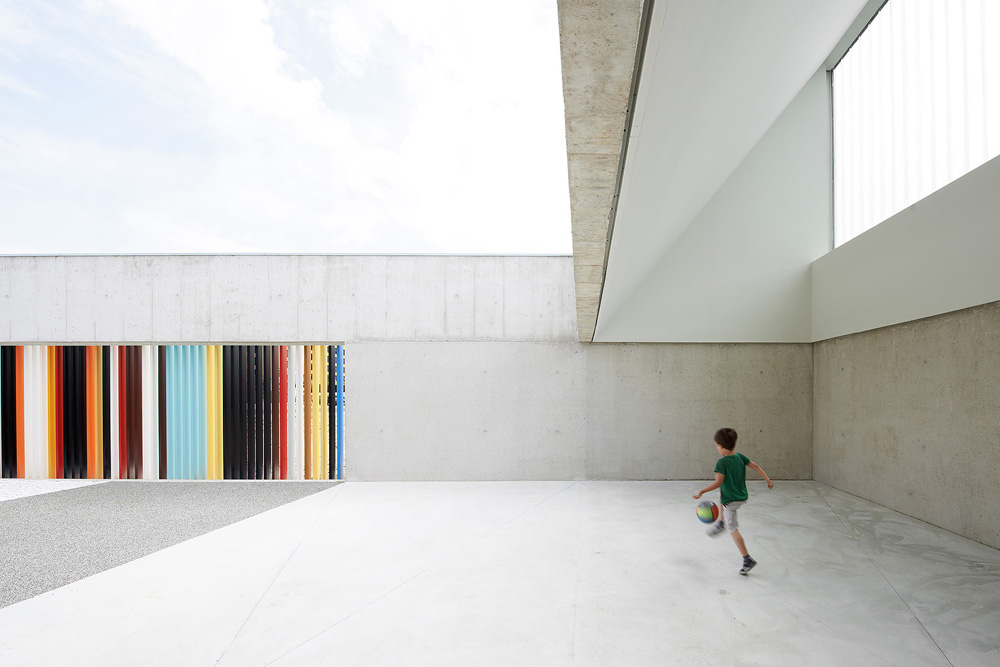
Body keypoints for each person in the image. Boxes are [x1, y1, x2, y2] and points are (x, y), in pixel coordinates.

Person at [693, 427, 773, 575]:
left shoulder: (722, 463)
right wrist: (767, 479)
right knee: (721, 492)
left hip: (731, 501)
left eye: (716, 445)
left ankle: (747, 559)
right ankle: (721, 522)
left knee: (733, 529)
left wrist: (702, 491)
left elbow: (718, 482)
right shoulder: (740, 456)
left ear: (720, 445)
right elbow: (755, 466)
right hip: (741, 496)